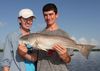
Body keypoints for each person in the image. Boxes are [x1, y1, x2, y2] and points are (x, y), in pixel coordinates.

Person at [37, 3, 73, 71]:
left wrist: (64, 55)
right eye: (45, 15)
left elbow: (68, 60)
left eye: (51, 14)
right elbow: (35, 57)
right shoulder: (38, 34)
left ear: (56, 15)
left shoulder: (65, 34)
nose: (48, 17)